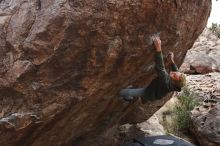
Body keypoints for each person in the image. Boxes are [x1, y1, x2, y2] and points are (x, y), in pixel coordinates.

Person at [119, 36, 186, 103]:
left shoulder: (165, 82)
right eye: (175, 73)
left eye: (174, 76)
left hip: (148, 92)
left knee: (123, 92)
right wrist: (172, 61)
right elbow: (176, 71)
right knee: (148, 97)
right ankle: (145, 100)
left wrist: (158, 48)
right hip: (156, 91)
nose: (173, 73)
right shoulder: (176, 82)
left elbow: (160, 67)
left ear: (173, 82)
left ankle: (129, 98)